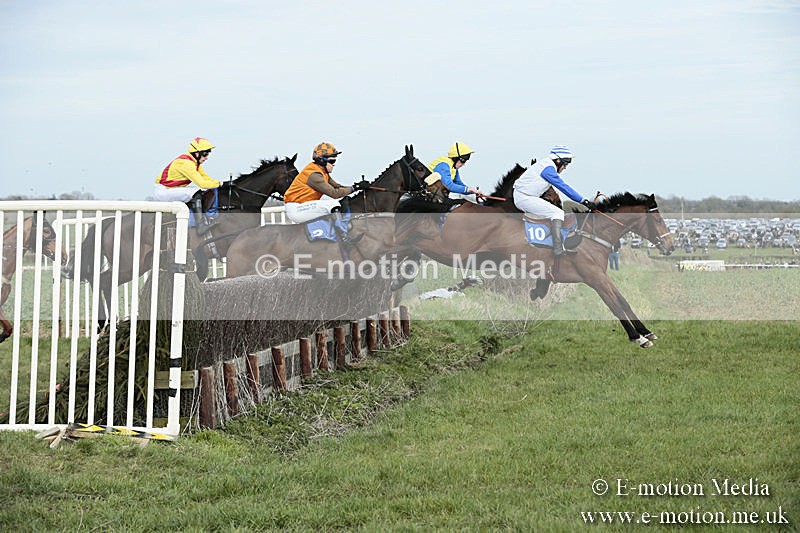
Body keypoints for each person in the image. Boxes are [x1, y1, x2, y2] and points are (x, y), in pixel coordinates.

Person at [513, 145, 596, 257]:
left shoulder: (546, 165)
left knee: (554, 212)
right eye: (565, 164)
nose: (565, 167)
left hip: (526, 196)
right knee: (557, 213)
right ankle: (557, 249)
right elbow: (563, 186)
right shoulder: (548, 169)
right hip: (525, 198)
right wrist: (583, 201)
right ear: (558, 161)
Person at [283, 142, 370, 246]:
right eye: (332, 161)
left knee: (338, 202)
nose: (334, 164)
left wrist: (358, 186)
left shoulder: (321, 171)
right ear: (322, 160)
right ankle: (344, 236)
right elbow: (334, 193)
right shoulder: (314, 175)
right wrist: (355, 188)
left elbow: (337, 187)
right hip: (297, 210)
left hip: (302, 206)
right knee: (332, 204)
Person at [153, 137, 221, 234]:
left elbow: (207, 178)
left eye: (208, 154)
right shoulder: (186, 164)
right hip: (163, 191)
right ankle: (200, 225)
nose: (207, 157)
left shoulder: (194, 163)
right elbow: (202, 184)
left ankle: (198, 219)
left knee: (200, 192)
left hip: (170, 189)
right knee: (197, 192)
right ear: (197, 153)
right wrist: (220, 184)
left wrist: (221, 183)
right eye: (205, 154)